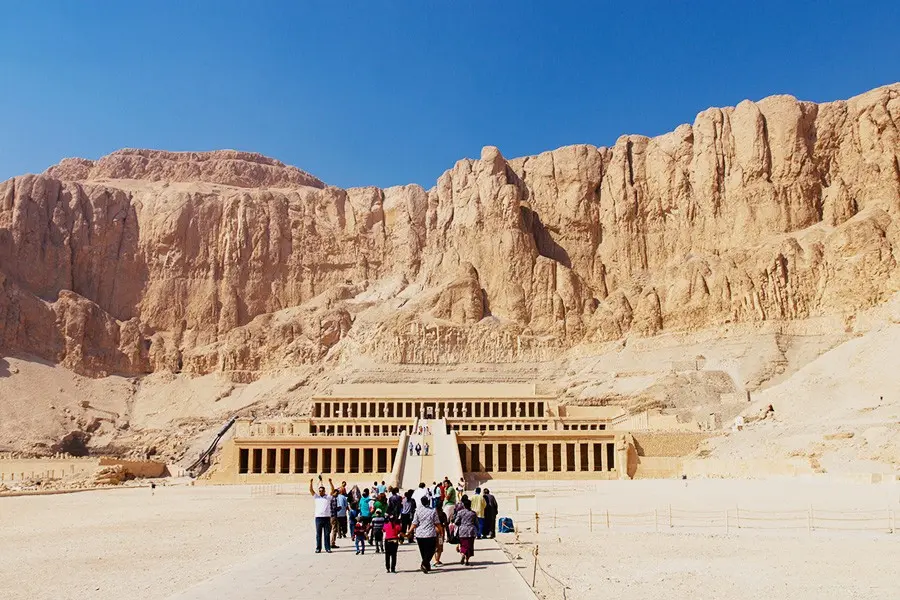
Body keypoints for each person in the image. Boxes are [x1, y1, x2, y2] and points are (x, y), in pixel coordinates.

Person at [409, 496, 442, 573]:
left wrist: (409, 531)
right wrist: (440, 531)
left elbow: (414, 523)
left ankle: (427, 565)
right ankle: (424, 564)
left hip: (420, 534)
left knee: (423, 551)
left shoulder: (418, 511)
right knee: (431, 550)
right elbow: (437, 523)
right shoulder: (433, 511)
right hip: (430, 534)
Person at [309, 478, 332, 553]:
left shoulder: (328, 497)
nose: (320, 492)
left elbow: (332, 490)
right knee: (318, 534)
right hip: (318, 518)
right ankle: (318, 548)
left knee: (327, 534)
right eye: (319, 491)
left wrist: (330, 482)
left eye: (322, 491)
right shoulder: (316, 497)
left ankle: (328, 548)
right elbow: (311, 491)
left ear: (324, 491)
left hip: (326, 518)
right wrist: (311, 482)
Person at [453, 496, 478, 565]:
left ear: (464, 505)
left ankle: (463, 554)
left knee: (463, 544)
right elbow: (476, 523)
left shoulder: (460, 513)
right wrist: (477, 530)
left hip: (462, 531)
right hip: (471, 531)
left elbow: (456, 521)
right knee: (470, 545)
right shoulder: (473, 513)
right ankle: (467, 561)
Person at [433, 502, 449, 567]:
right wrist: (448, 534)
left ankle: (435, 559)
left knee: (434, 546)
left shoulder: (433, 514)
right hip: (440, 531)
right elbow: (446, 524)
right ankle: (437, 560)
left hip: (433, 530)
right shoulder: (443, 514)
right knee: (440, 546)